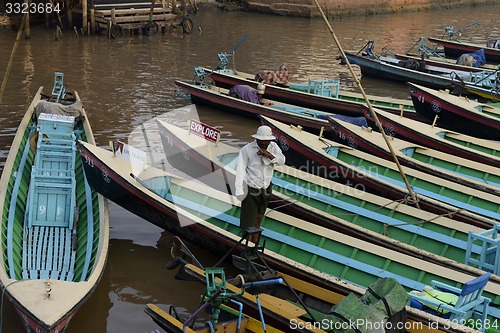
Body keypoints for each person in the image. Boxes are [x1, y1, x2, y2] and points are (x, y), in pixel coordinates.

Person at [235, 125, 285, 243]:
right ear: (256, 139)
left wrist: (269, 155)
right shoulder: (246, 150)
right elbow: (240, 171)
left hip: (266, 187)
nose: (263, 144)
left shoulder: (273, 147)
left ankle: (254, 243)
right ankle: (246, 245)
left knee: (258, 218)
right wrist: (239, 190)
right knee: (248, 223)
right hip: (251, 188)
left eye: (266, 141)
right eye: (261, 141)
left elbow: (282, 160)